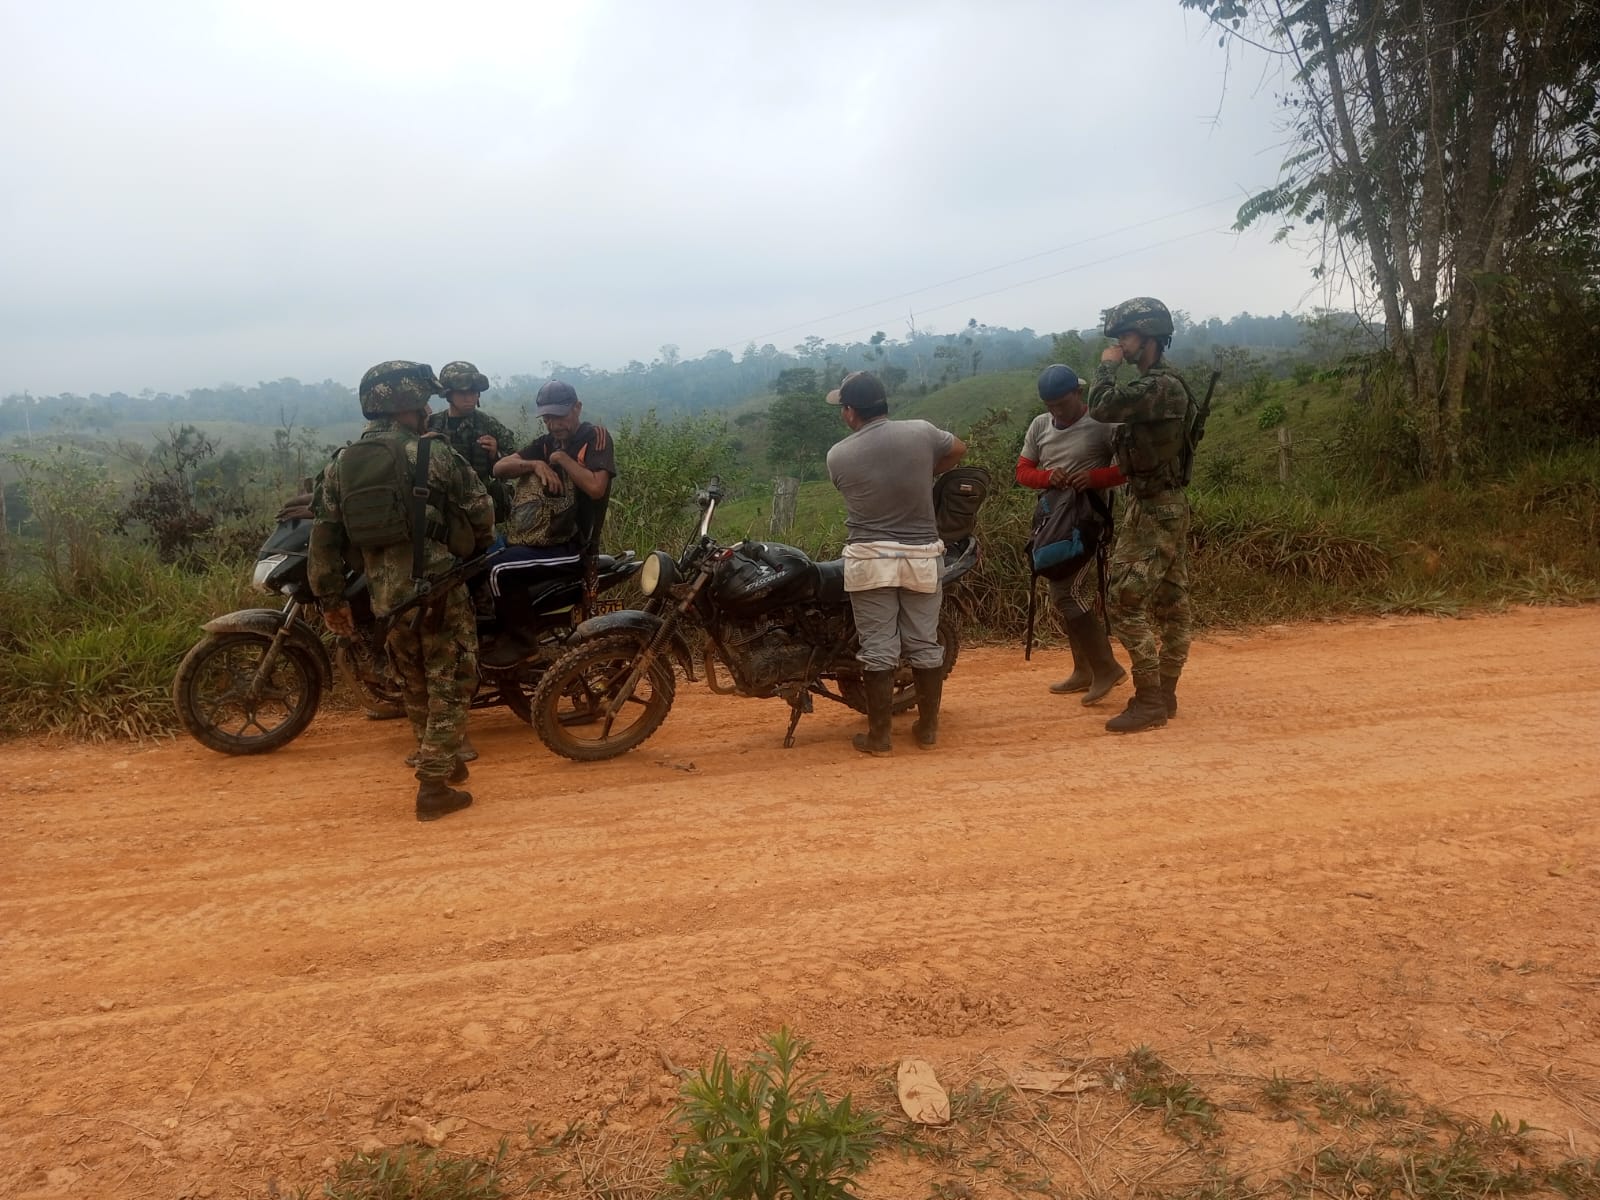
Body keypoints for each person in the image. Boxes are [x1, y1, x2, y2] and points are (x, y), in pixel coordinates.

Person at [308, 361, 495, 820]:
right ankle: (432, 787)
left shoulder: (342, 464)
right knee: (451, 681)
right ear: (409, 404)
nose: (430, 408)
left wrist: (331, 600)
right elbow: (483, 513)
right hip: (438, 589)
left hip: (386, 598)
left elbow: (325, 535)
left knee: (414, 682)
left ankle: (443, 761)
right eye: (426, 401)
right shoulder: (434, 455)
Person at [825, 371, 968, 755]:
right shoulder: (922, 432)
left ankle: (880, 737)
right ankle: (927, 729)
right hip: (922, 556)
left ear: (851, 412)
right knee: (924, 642)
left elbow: (849, 488)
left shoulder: (838, 455)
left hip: (871, 560)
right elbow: (959, 449)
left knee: (878, 648)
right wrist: (926, 472)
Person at [1086, 297, 1194, 733]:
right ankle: (1164, 695)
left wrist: (1105, 366)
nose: (1120, 345)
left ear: (1148, 338)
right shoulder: (1160, 383)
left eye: (1126, 337)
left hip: (1155, 507)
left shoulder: (1159, 387)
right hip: (1156, 502)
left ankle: (1150, 698)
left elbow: (1101, 405)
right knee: (1172, 600)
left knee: (1126, 600)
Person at [484, 380, 616, 668]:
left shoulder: (595, 437)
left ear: (577, 408)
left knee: (497, 569)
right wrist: (535, 464)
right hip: (541, 540)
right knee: (481, 555)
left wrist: (560, 459)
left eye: (560, 416)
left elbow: (596, 488)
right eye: (548, 418)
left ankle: (522, 642)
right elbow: (499, 467)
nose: (555, 425)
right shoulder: (545, 444)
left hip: (574, 546)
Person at [1017, 363, 1128, 704]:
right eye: (1050, 405)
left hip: (1087, 520)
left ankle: (1106, 667)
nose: (1056, 412)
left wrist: (1094, 478)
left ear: (1078, 394)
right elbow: (1023, 471)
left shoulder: (1104, 423)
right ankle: (1084, 670)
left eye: (1062, 404)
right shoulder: (1039, 425)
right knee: (1059, 589)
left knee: (1067, 593)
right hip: (1053, 520)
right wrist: (1048, 477)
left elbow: (1130, 468)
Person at [427, 360, 517, 522]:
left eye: (473, 392)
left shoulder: (488, 424)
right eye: (462, 393)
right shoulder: (431, 425)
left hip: (480, 508)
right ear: (449, 394)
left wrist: (495, 454)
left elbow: (516, 460)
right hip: (442, 508)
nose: (469, 398)